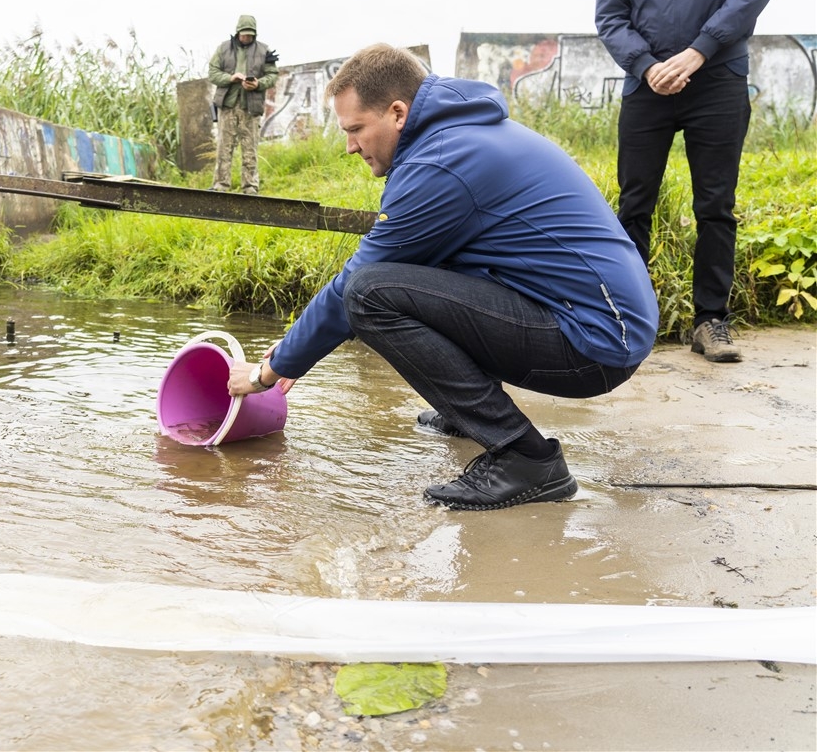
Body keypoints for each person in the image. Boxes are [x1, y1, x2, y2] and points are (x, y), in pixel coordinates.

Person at [226, 44, 659, 511]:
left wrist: (268, 372)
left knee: (368, 294)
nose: (350, 145)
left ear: (397, 113)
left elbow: (353, 284)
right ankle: (465, 413)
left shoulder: (440, 164)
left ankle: (525, 458)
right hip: (596, 320)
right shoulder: (455, 135)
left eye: (355, 129)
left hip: (596, 343)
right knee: (410, 272)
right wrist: (291, 350)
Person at [595, 0, 778, 363]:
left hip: (719, 76)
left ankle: (710, 321)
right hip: (647, 84)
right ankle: (630, 319)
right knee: (634, 204)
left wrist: (701, 49)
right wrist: (644, 64)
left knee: (715, 205)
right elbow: (610, 13)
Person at [208, 15, 279, 195]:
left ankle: (250, 186)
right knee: (224, 147)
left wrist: (258, 84)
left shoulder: (264, 50)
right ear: (237, 32)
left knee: (250, 148)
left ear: (254, 34)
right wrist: (230, 78)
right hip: (227, 106)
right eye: (243, 34)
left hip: (251, 106)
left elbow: (272, 75)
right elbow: (213, 73)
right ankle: (221, 185)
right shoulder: (223, 49)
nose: (246, 37)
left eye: (249, 34)